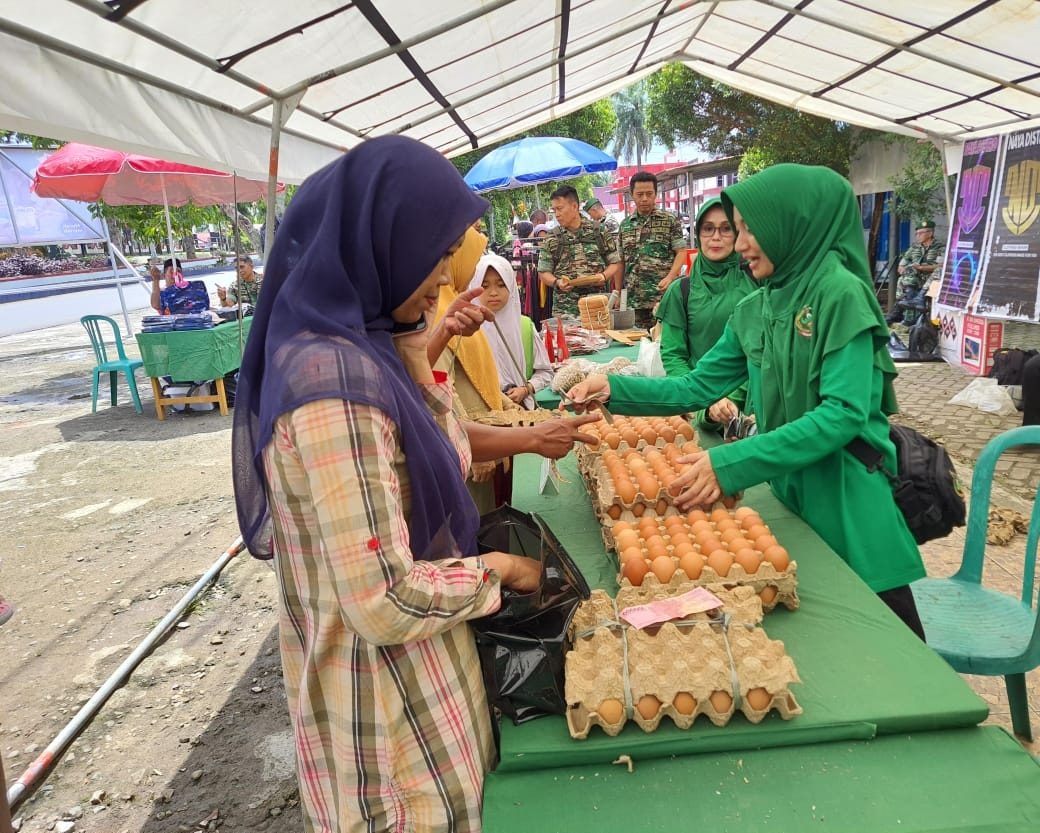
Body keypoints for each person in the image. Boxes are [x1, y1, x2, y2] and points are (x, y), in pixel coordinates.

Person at [232, 135, 596, 833]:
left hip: (429, 682)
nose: (444, 275)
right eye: (433, 255)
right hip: (386, 727)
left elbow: (451, 448)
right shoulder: (332, 392)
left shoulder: (370, 346)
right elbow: (383, 597)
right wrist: (500, 568)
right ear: (380, 242)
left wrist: (417, 334)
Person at [565, 163, 928, 639]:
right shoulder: (755, 308)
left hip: (847, 503)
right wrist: (614, 387)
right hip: (789, 491)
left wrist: (729, 462)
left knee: (891, 654)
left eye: (749, 229)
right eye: (736, 230)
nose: (739, 244)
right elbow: (694, 388)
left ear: (791, 222)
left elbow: (842, 415)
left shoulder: (842, 295)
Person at [655, 198, 757, 431]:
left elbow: (768, 350)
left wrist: (731, 397)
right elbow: (673, 355)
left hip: (756, 403)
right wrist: (705, 401)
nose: (716, 237)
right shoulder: (681, 290)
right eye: (708, 228)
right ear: (698, 234)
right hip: (701, 405)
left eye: (726, 228)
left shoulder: (758, 279)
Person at [434, 227, 516, 512]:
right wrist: (473, 449)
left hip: (482, 434)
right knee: (477, 522)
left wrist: (503, 402)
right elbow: (441, 388)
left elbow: (477, 371)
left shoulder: (453, 297)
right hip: (469, 446)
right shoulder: (436, 306)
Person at [469, 253, 553, 409]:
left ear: (512, 287)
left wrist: (525, 389)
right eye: (484, 286)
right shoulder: (468, 330)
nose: (493, 292)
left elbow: (545, 373)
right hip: (483, 415)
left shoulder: (525, 327)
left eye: (501, 285)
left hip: (521, 413)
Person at [537, 185, 620, 320]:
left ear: (574, 206)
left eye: (560, 209)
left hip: (596, 308)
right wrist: (557, 282)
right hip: (565, 310)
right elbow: (543, 272)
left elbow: (615, 262)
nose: (557, 214)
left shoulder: (598, 231)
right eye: (554, 210)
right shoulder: (552, 237)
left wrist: (604, 276)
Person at [617, 171, 688, 328]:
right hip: (634, 299)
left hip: (662, 297)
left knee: (663, 341)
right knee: (638, 343)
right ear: (631, 194)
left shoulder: (669, 220)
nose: (644, 199)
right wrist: (617, 293)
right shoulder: (625, 225)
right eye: (639, 194)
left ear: (656, 193)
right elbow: (620, 261)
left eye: (649, 194)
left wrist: (670, 277)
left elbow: (681, 252)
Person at [886, 220, 944, 325]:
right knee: (905, 275)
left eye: (921, 233)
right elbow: (901, 266)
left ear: (930, 233)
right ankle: (908, 306)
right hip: (914, 279)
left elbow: (941, 267)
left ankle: (901, 310)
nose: (918, 236)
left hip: (931, 279)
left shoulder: (940, 247)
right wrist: (908, 270)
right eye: (916, 233)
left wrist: (921, 268)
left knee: (935, 271)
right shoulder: (914, 247)